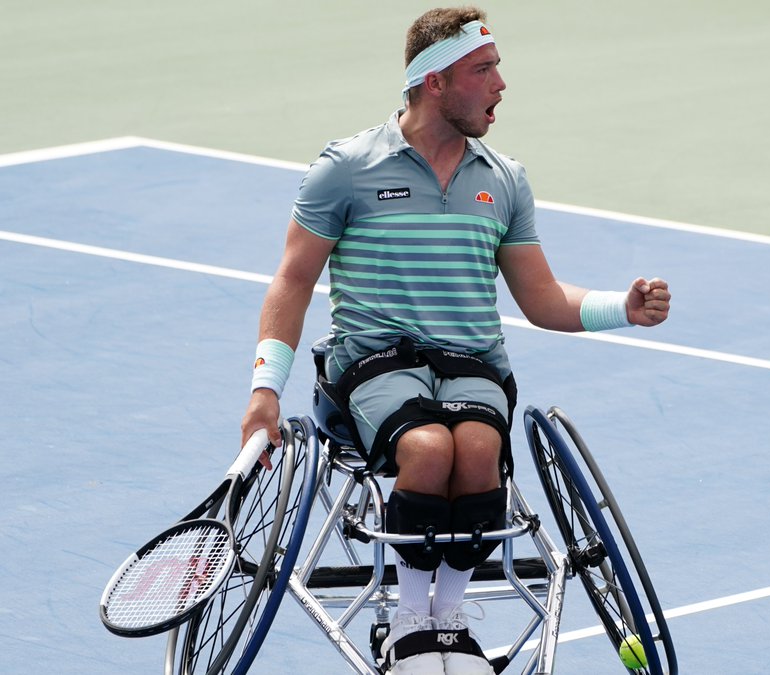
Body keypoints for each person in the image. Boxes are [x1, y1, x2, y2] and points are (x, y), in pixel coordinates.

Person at [239, 6, 670, 675]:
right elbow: (293, 280)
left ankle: (447, 621)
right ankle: (410, 628)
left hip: (471, 365)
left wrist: (625, 307)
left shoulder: (503, 179)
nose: (502, 84)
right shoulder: (346, 168)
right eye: (484, 69)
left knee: (478, 447)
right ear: (436, 82)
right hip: (376, 366)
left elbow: (544, 299)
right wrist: (265, 388)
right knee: (428, 448)